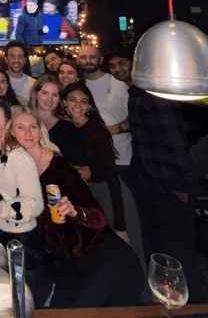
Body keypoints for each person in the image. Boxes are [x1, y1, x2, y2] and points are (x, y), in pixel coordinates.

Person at [11, 106, 143, 308]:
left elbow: (99, 217)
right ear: (12, 132)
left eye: (33, 126)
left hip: (102, 260)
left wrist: (75, 212)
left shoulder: (60, 167)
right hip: (67, 266)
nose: (28, 132)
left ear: (40, 130)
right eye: (20, 127)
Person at [128, 69, 204, 302]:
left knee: (165, 249)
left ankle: (173, 300)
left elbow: (165, 139)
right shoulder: (152, 93)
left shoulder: (140, 92)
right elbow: (172, 140)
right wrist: (184, 184)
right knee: (177, 252)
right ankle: (187, 304)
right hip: (163, 181)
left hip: (153, 179)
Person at [62, 83, 146, 273]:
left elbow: (111, 175)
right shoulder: (68, 128)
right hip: (92, 196)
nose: (78, 106)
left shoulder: (96, 130)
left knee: (132, 251)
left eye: (83, 102)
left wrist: (120, 223)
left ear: (89, 106)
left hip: (112, 194)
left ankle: (145, 291)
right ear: (64, 102)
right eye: (72, 100)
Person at [0, 101, 51, 305]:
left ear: (8, 124)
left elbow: (35, 203)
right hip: (1, 234)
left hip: (22, 241)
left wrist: (1, 208)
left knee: (25, 302)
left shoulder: (18, 157)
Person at [79, 45, 132, 172]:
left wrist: (115, 129)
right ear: (78, 60)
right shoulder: (78, 86)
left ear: (100, 59)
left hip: (121, 158)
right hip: (92, 160)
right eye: (83, 57)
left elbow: (136, 118)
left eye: (92, 57)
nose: (88, 61)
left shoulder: (118, 84)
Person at [30, 74, 90, 177]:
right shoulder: (24, 121)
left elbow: (80, 164)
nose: (49, 99)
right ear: (36, 94)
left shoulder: (67, 128)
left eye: (55, 95)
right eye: (44, 93)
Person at [4, 41, 35, 105]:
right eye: (12, 56)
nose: (16, 60)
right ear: (6, 59)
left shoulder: (34, 84)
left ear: (25, 60)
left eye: (20, 56)